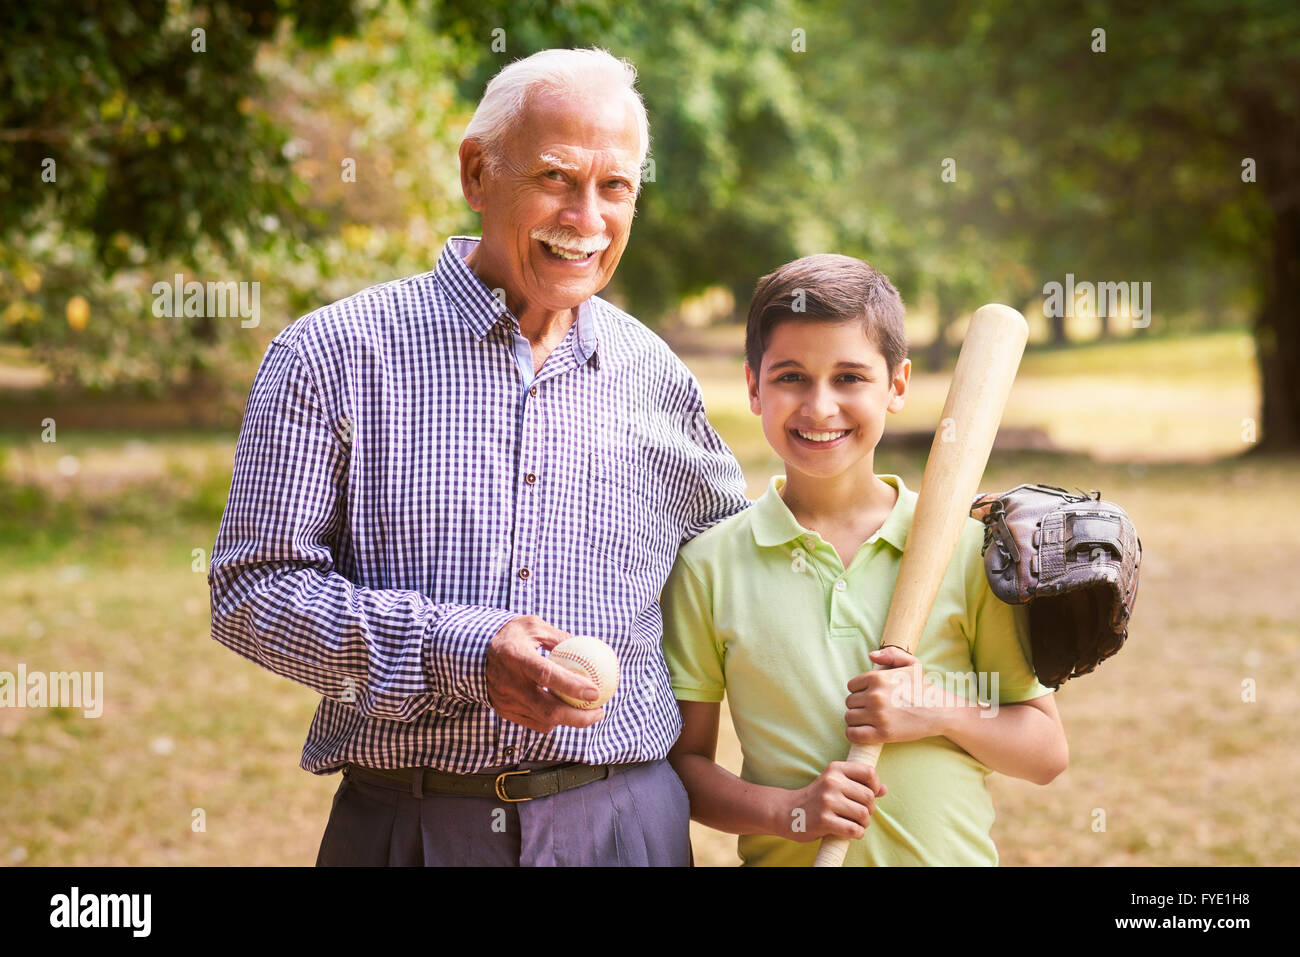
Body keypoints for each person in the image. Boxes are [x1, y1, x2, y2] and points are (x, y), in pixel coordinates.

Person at [207, 48, 750, 866]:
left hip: (625, 823)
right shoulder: (336, 354)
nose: (586, 218)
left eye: (615, 187)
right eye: (556, 178)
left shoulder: (654, 372)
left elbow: (743, 559)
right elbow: (251, 591)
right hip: (417, 829)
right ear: (476, 173)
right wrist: (457, 649)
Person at [661, 254, 1069, 866]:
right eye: (791, 376)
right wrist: (791, 811)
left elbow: (1044, 752)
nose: (820, 407)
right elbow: (683, 770)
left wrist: (933, 708)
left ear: (896, 385)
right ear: (753, 386)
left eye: (850, 377)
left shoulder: (966, 549)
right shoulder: (709, 566)